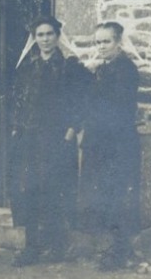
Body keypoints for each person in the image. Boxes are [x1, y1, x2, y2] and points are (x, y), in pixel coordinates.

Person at [9, 16, 90, 266]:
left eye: (49, 34)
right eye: (40, 35)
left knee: (56, 190)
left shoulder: (70, 68)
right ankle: (31, 247)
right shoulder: (27, 68)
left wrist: (71, 129)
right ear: (35, 38)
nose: (45, 39)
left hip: (57, 138)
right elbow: (17, 100)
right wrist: (16, 127)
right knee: (29, 190)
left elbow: (82, 101)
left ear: (57, 37)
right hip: (30, 139)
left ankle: (56, 246)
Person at [80, 21, 141, 270]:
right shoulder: (102, 69)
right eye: (98, 42)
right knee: (101, 193)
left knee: (117, 194)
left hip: (117, 141)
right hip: (98, 140)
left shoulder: (125, 70)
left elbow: (114, 105)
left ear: (118, 43)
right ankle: (110, 247)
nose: (101, 46)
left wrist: (92, 79)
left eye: (106, 42)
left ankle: (119, 250)